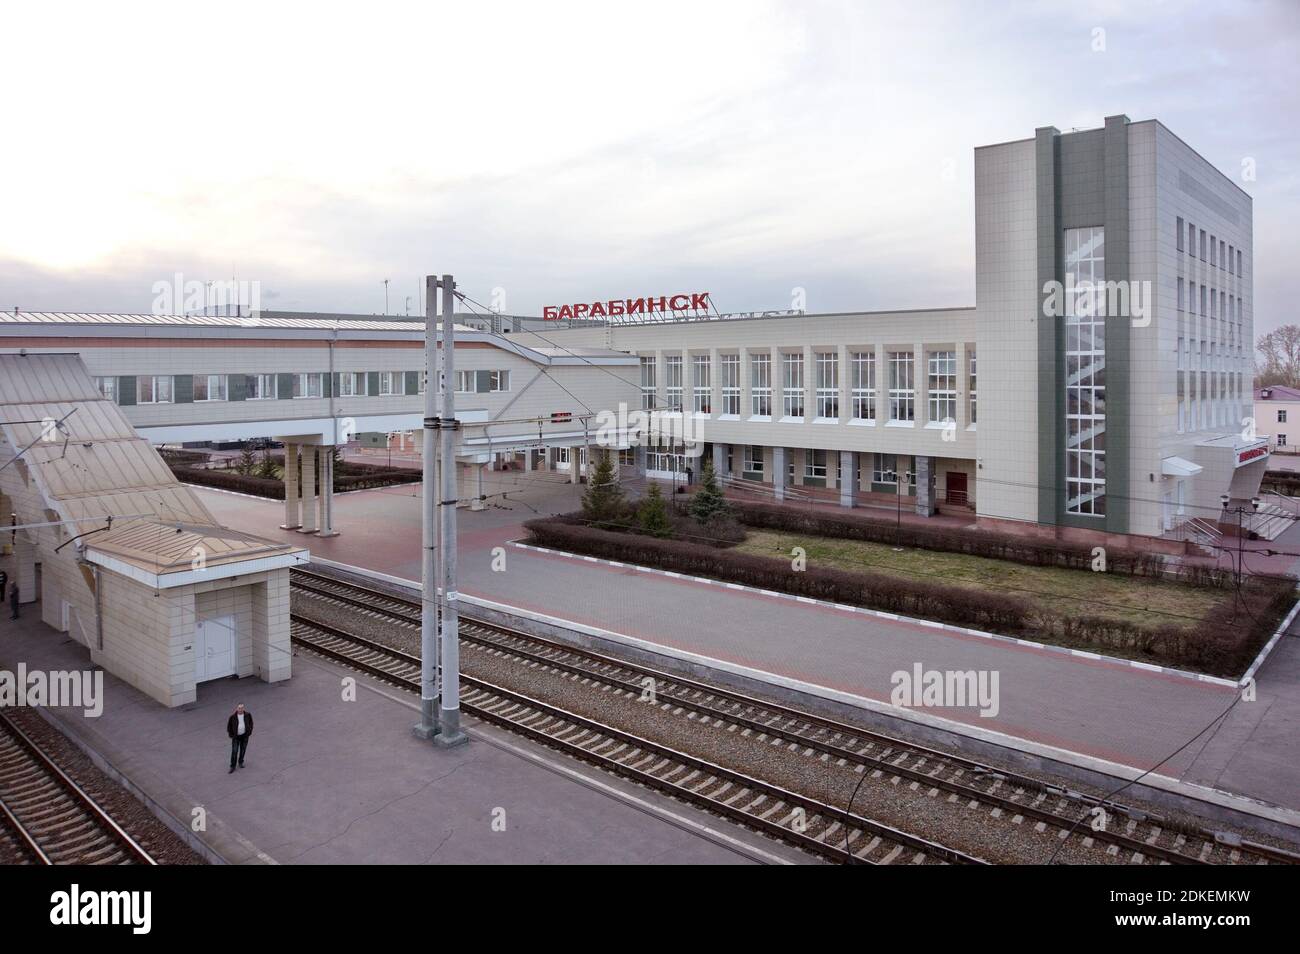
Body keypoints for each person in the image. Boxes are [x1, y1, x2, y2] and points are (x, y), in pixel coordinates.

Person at [226, 703, 253, 773]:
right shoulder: (232, 717)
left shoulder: (248, 715)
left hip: (244, 736)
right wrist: (231, 735)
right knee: (234, 751)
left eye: (242, 708)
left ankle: (240, 762)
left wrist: (249, 731)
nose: (240, 709)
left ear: (244, 708)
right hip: (236, 737)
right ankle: (232, 766)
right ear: (237, 708)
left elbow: (251, 723)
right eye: (239, 708)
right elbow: (229, 727)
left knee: (243, 750)